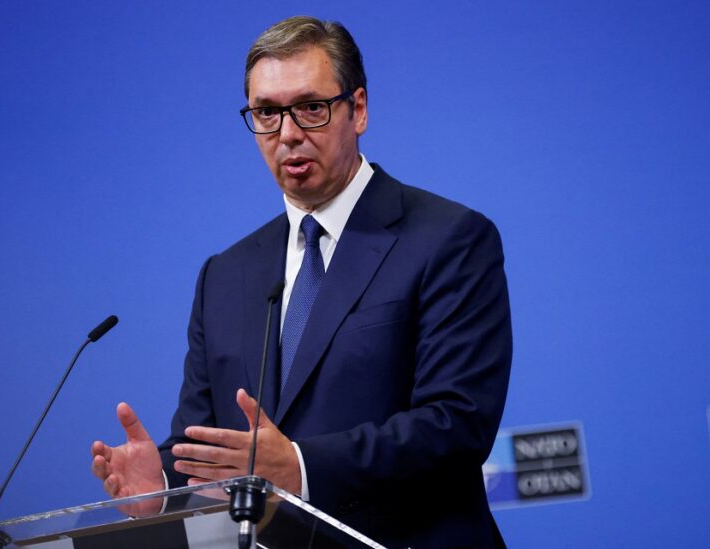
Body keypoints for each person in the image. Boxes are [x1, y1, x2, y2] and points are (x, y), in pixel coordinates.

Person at [91, 15, 512, 549]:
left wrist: (300, 465)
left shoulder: (448, 239)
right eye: (266, 112)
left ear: (357, 109)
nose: (287, 133)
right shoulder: (225, 275)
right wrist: (164, 491)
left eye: (311, 107)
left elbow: (456, 425)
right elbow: (208, 448)